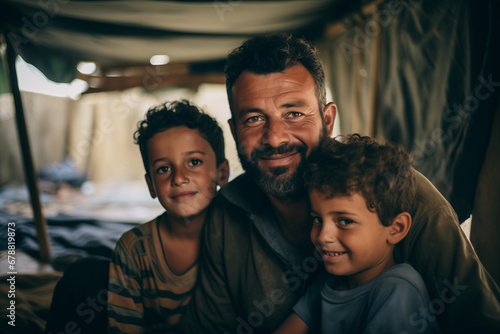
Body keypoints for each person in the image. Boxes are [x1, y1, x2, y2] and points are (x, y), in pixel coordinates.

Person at [179, 34, 500, 333]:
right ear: (235, 132)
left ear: (328, 120)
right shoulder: (226, 212)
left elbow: (480, 321)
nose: (274, 137)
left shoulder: (402, 194)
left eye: (294, 113)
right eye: (254, 119)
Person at [274, 134, 441, 333]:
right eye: (317, 219)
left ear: (396, 228)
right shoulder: (327, 283)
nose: (322, 236)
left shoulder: (397, 289)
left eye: (345, 221)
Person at [106, 100, 229, 332]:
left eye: (194, 162)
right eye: (164, 168)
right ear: (151, 185)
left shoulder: (239, 235)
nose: (179, 178)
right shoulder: (134, 249)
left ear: (222, 173)